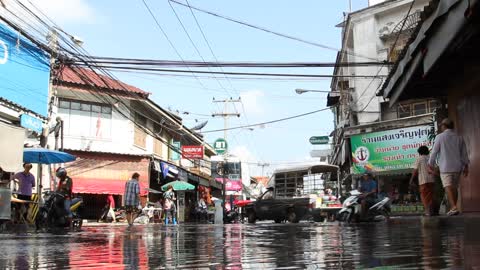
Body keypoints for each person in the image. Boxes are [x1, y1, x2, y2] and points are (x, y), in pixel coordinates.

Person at [428, 118, 469, 216]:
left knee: (447, 186)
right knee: (454, 187)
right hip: (457, 166)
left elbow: (434, 152)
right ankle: (453, 208)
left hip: (446, 166)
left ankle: (454, 207)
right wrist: (466, 166)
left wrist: (430, 164)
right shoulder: (459, 137)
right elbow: (464, 154)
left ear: (444, 126)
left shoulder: (440, 137)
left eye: (441, 125)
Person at [410, 146, 435, 216]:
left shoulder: (419, 158)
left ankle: (427, 211)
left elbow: (415, 170)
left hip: (423, 181)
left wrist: (411, 180)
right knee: (430, 196)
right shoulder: (430, 158)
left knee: (424, 196)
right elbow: (434, 169)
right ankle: (431, 211)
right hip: (431, 180)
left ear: (420, 152)